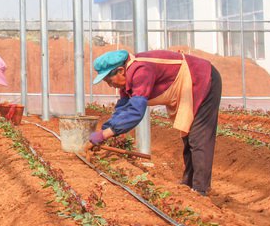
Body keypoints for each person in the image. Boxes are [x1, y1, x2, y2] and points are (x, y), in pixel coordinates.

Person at [83, 49, 222, 195]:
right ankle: (188, 184)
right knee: (188, 135)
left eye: (109, 80)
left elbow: (135, 113)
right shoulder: (127, 80)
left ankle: (200, 190)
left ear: (120, 71)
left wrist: (104, 135)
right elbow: (123, 109)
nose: (110, 85)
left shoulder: (141, 70)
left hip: (202, 79)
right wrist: (105, 131)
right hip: (191, 84)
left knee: (198, 136)